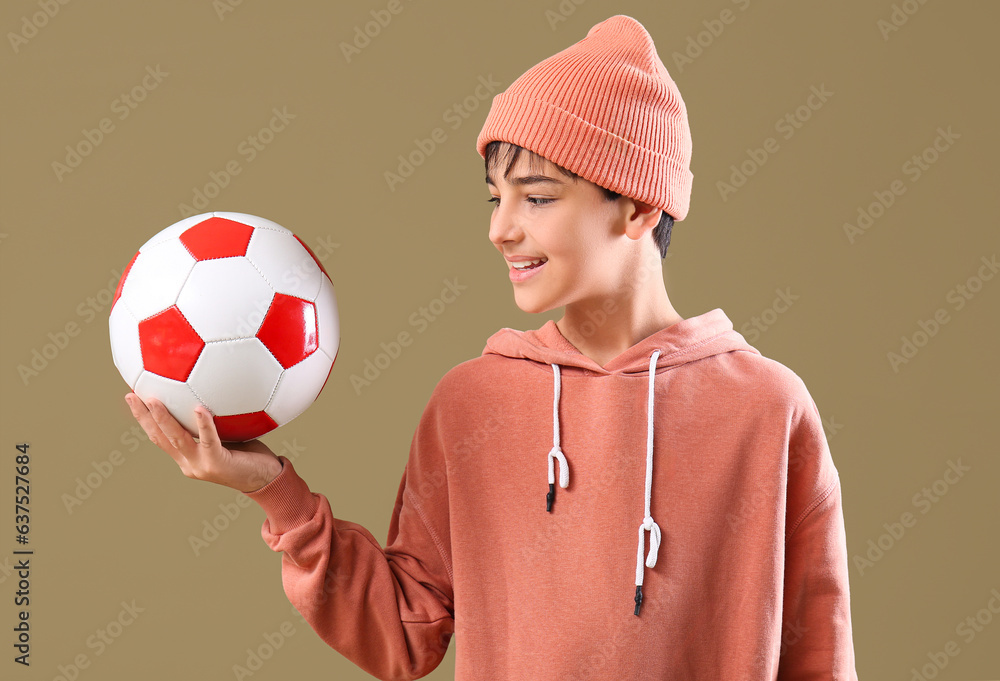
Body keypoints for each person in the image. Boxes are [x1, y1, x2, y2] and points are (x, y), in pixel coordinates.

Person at [124, 14, 859, 680]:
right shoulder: (471, 400)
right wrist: (273, 491)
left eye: (536, 197)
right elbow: (406, 634)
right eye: (494, 197)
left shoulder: (768, 408)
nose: (500, 228)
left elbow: (819, 656)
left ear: (638, 205)